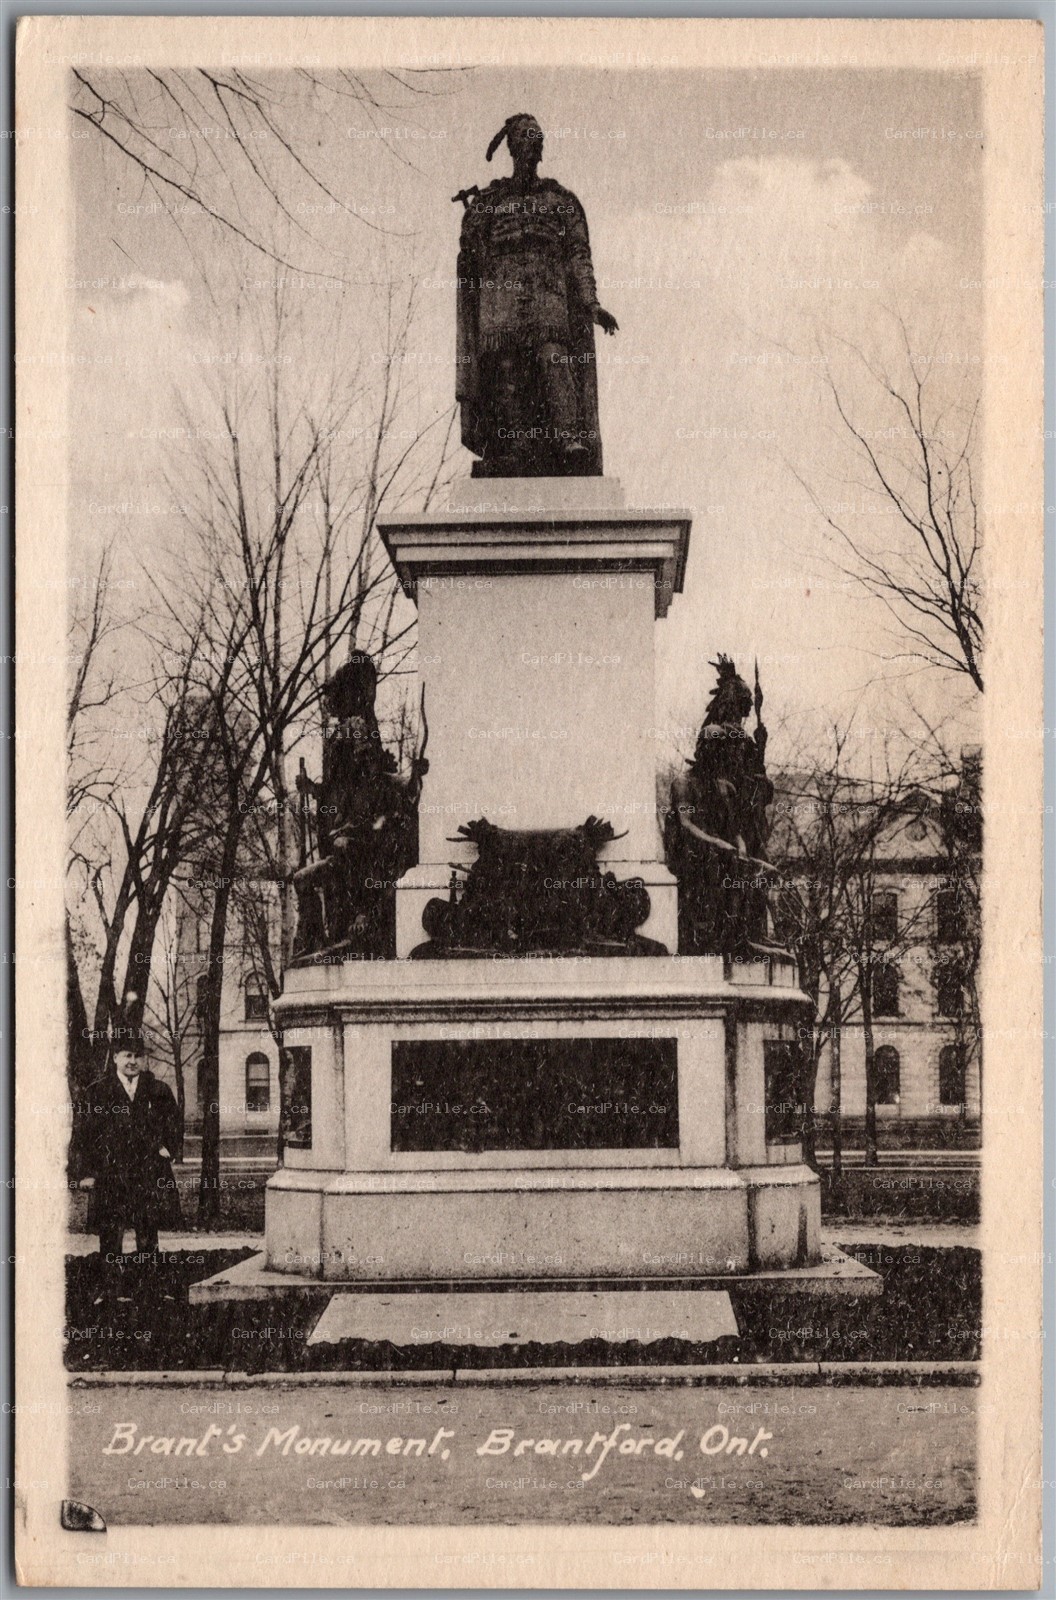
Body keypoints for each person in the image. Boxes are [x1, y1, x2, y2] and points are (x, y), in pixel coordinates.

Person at [455, 112, 619, 476]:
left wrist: (591, 302)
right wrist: (472, 222)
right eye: (525, 139)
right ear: (512, 147)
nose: (532, 146)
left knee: (553, 357)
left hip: (548, 294)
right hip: (501, 296)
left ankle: (569, 439)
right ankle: (514, 446)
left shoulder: (560, 199)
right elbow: (471, 252)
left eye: (537, 140)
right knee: (506, 366)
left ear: (542, 149)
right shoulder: (490, 201)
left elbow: (578, 253)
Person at [76, 1027, 182, 1302]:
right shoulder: (97, 1092)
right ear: (115, 1058)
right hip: (111, 1174)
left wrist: (168, 1148)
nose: (132, 1061)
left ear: (144, 1059)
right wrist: (86, 1172)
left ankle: (150, 1289)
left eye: (138, 1055)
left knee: (148, 1231)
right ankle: (109, 1290)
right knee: (111, 1232)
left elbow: (174, 1123)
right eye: (127, 1055)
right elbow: (84, 1134)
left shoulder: (158, 1091)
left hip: (148, 1172)